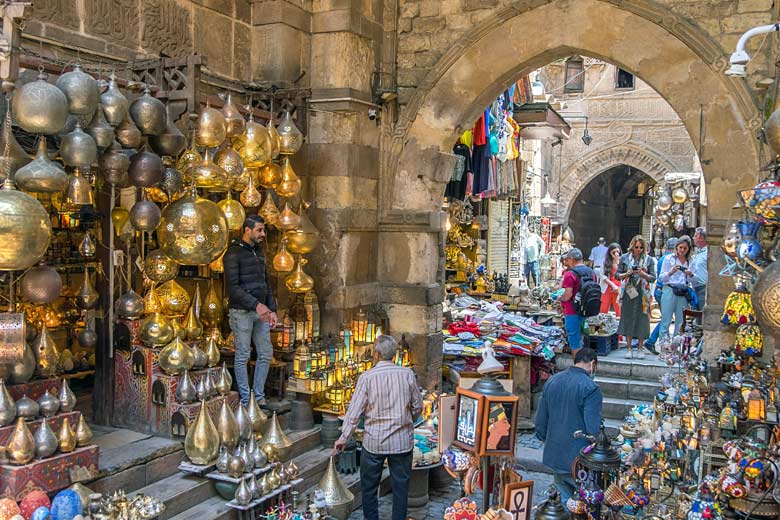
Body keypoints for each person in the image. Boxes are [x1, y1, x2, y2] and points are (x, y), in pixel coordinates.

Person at [332, 335, 423, 520]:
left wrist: (344, 438)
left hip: (374, 442)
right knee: (401, 489)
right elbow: (418, 406)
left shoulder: (367, 378)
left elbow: (354, 412)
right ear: (394, 355)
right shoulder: (406, 374)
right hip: (402, 442)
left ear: (377, 354)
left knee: (369, 489)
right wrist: (408, 420)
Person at [223, 215, 278, 406]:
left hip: (261, 312)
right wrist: (257, 305)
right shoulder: (233, 253)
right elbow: (233, 289)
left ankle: (259, 397)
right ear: (247, 230)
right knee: (243, 355)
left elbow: (266, 282)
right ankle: (246, 400)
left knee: (265, 353)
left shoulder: (260, 252)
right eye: (259, 230)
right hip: (241, 312)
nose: (263, 234)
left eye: (263, 230)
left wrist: (271, 309)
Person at [535, 348, 602, 504]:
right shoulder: (591, 388)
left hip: (555, 452)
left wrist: (547, 439)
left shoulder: (553, 380)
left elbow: (540, 421)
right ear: (592, 364)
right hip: (578, 458)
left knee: (563, 498)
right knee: (581, 503)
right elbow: (593, 430)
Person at [616, 235, 656, 359]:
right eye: (636, 247)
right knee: (627, 317)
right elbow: (617, 275)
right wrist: (626, 274)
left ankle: (640, 347)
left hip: (643, 292)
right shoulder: (624, 258)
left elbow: (653, 277)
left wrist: (643, 274)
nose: (638, 249)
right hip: (629, 291)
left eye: (641, 247)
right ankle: (629, 347)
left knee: (642, 319)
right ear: (632, 247)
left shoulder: (649, 260)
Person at [559, 248, 596, 357]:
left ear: (571, 259)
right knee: (585, 341)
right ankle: (588, 368)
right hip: (588, 311)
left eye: (567, 260)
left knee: (575, 343)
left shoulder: (570, 274)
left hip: (572, 312)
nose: (566, 263)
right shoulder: (591, 272)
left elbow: (568, 295)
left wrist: (558, 298)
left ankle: (578, 368)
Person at [644, 237, 678, 353]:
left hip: (660, 290)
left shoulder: (663, 258)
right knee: (666, 319)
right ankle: (652, 341)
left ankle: (659, 341)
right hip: (664, 290)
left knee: (666, 318)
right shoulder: (669, 259)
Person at [657, 235, 695, 341]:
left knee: (680, 321)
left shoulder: (691, 261)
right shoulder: (668, 259)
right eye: (680, 248)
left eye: (685, 248)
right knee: (666, 319)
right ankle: (663, 344)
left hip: (683, 291)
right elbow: (661, 278)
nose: (682, 250)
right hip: (669, 289)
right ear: (677, 247)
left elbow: (694, 281)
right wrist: (671, 272)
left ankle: (676, 345)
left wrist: (690, 274)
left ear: (688, 249)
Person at [596, 243, 622, 316]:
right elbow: (602, 275)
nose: (616, 254)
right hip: (607, 286)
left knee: (618, 308)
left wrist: (617, 260)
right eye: (614, 252)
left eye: (617, 252)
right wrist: (612, 285)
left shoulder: (622, 261)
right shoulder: (605, 262)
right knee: (603, 308)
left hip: (618, 287)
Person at [690, 227, 708, 311]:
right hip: (696, 288)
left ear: (702, 238)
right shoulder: (699, 253)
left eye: (695, 236)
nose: (693, 238)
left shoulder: (708, 253)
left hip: (703, 289)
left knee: (701, 313)